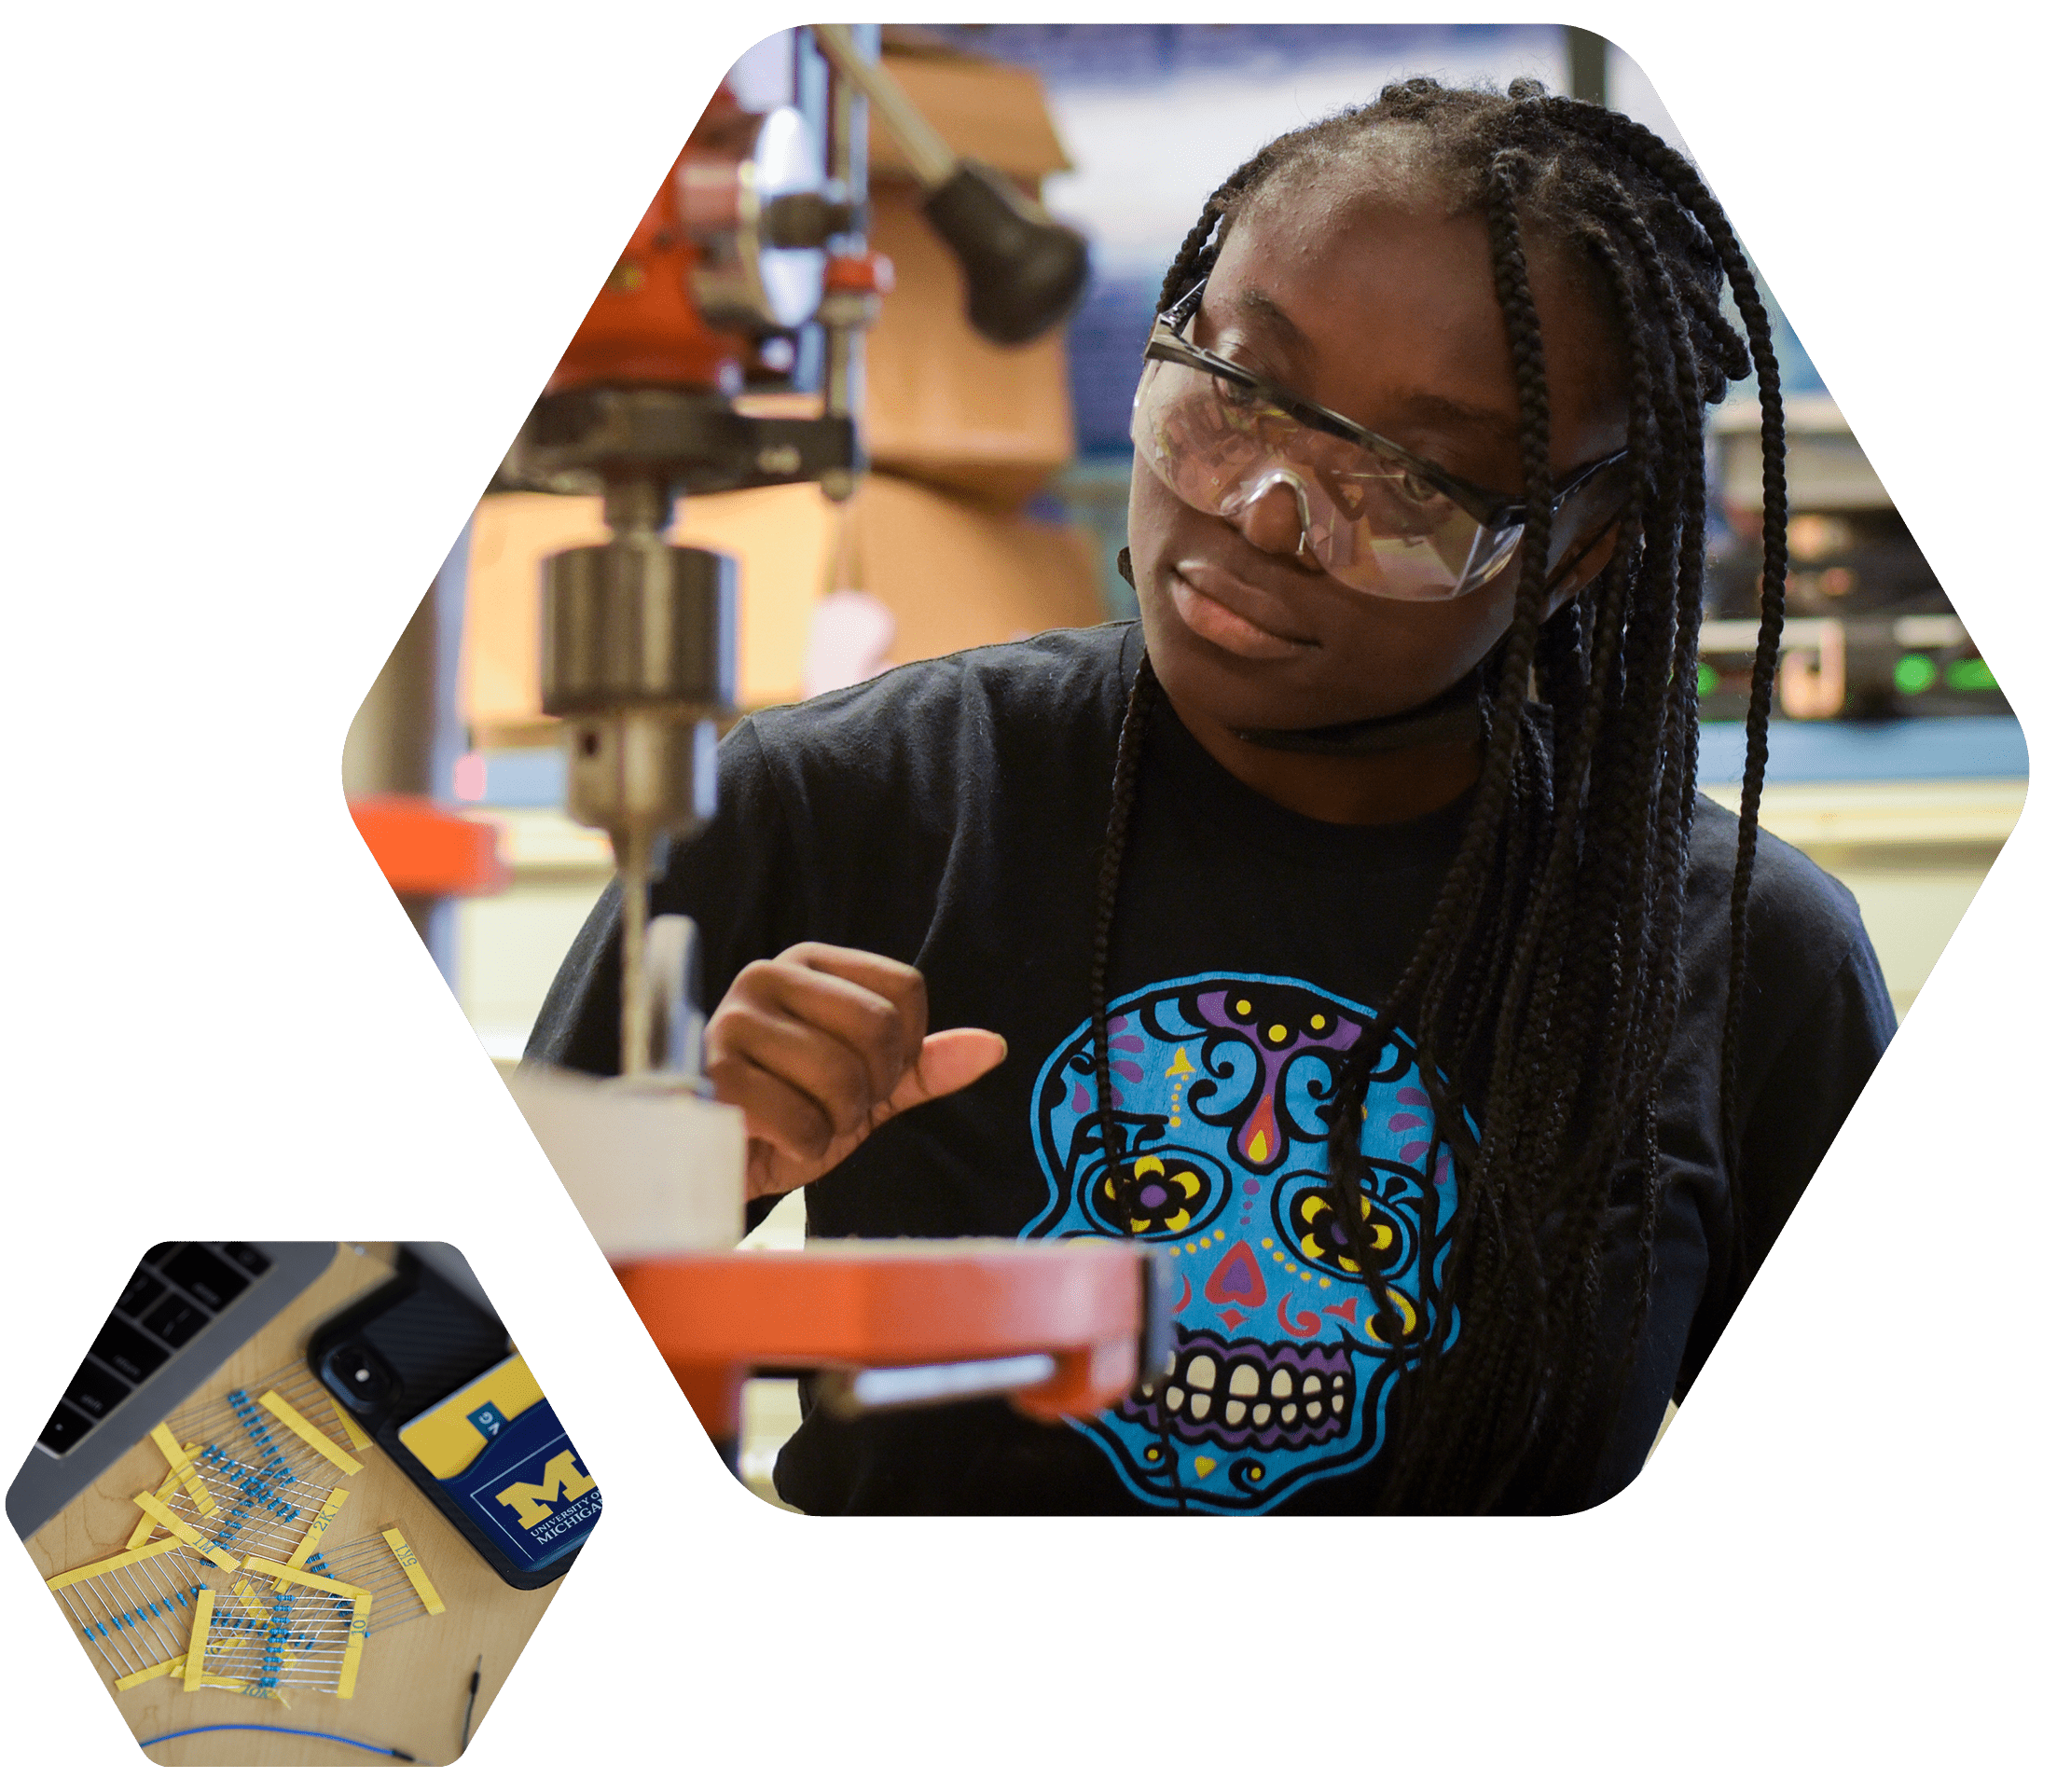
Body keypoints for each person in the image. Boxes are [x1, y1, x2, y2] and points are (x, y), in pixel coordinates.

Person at [531, 78, 1896, 1516]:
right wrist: (669, 1178)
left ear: (1569, 555)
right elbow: (464, 1419)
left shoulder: (1744, 958)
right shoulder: (843, 808)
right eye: (1234, 392)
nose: (1259, 513)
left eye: (1406, 487)